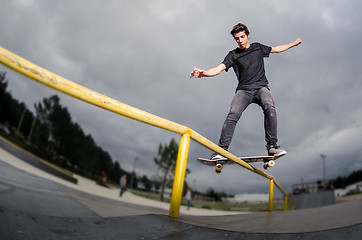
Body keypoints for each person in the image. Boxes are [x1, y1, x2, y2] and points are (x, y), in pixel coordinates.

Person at [190, 23, 302, 159]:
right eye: (237, 38)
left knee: (270, 107)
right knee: (232, 114)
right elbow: (218, 68)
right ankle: (221, 151)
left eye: (242, 37)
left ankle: (272, 147)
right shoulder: (233, 55)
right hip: (244, 90)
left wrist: (293, 43)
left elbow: (276, 49)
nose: (240, 41)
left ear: (248, 35)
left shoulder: (258, 48)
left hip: (261, 87)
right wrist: (204, 73)